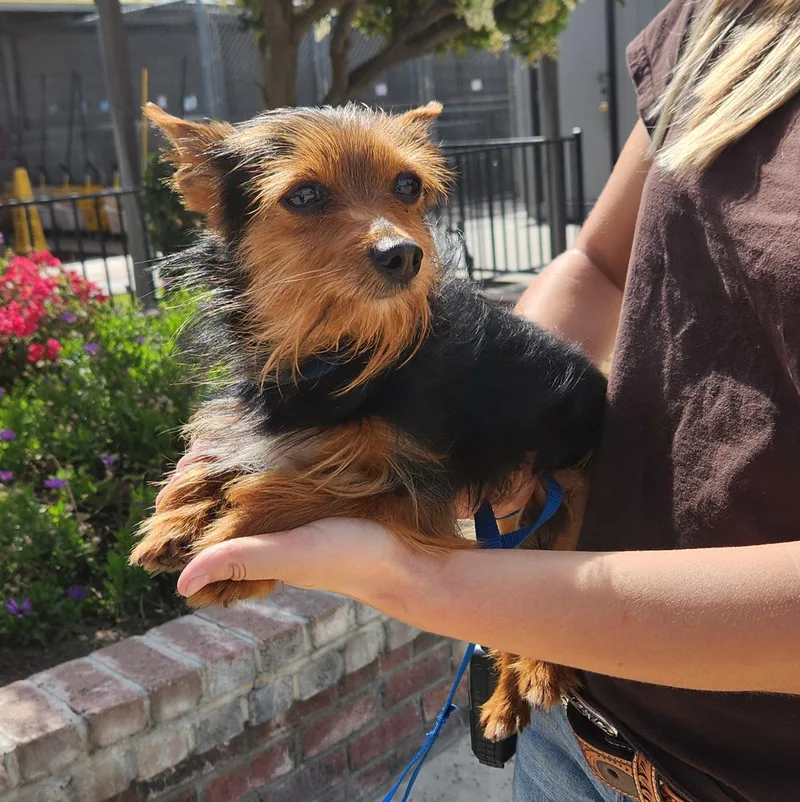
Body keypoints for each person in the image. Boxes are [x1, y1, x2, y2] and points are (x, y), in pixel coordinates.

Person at [173, 1, 800, 800]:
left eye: (407, 188)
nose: (392, 230)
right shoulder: (722, 20)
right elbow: (599, 266)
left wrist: (423, 579)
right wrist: (489, 407)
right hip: (572, 747)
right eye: (306, 198)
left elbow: (407, 501)